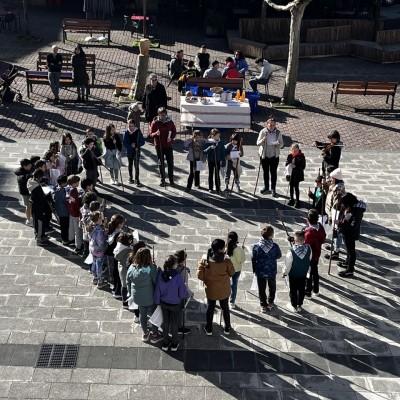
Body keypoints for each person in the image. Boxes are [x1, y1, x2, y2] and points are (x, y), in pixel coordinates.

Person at [197, 239, 235, 335]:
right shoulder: (226, 260)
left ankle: (209, 328)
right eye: (223, 247)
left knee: (210, 308)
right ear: (219, 250)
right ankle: (227, 327)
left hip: (211, 289)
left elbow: (200, 275)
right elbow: (232, 273)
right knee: (225, 308)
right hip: (224, 289)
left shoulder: (205, 259)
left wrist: (207, 277)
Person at [154, 255, 189, 352]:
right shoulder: (177, 277)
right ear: (174, 265)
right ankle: (174, 343)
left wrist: (157, 302)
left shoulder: (161, 275)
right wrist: (186, 291)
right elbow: (182, 294)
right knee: (174, 324)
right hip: (175, 304)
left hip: (164, 303)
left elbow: (157, 290)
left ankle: (165, 342)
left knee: (166, 322)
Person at [126, 247, 162, 343]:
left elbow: (128, 281)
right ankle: (155, 334)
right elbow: (156, 282)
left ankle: (145, 333)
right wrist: (156, 269)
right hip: (150, 297)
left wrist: (130, 292)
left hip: (137, 296)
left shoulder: (131, 267)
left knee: (143, 314)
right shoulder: (151, 269)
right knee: (154, 315)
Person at [252, 226, 282, 312]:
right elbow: (278, 255)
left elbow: (253, 258)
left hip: (260, 271)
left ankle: (263, 305)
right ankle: (271, 302)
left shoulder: (256, 247)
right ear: (270, 236)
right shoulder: (275, 246)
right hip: (271, 270)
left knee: (261, 288)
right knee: (272, 287)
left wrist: (254, 269)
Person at [337, 193, 366, 278]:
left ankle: (350, 270)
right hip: (346, 232)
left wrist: (340, 224)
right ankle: (347, 263)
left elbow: (352, 226)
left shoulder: (356, 212)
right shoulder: (352, 207)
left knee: (351, 252)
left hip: (350, 234)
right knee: (348, 249)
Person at [282, 231, 312, 313]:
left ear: (294, 240)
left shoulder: (291, 251)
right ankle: (299, 304)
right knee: (302, 289)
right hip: (303, 273)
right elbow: (309, 258)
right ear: (304, 239)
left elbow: (288, 264)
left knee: (293, 290)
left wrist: (285, 272)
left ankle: (293, 305)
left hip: (293, 274)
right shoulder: (309, 248)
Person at [257, 115, 284, 197]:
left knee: (273, 173)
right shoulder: (263, 131)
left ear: (275, 125)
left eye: (273, 125)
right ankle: (266, 187)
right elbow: (257, 143)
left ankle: (273, 188)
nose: (272, 126)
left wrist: (278, 145)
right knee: (265, 172)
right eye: (270, 125)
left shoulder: (278, 133)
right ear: (267, 124)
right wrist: (262, 140)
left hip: (274, 156)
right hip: (264, 156)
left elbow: (282, 144)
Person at [149, 107, 177, 187]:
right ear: (158, 115)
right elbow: (151, 134)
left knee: (170, 163)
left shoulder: (170, 122)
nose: (163, 117)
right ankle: (163, 179)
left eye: (164, 115)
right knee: (160, 163)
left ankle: (171, 179)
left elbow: (174, 131)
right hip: (159, 146)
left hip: (168, 145)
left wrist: (171, 138)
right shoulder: (155, 122)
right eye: (161, 115)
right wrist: (155, 134)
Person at [324, 168, 346, 260]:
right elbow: (328, 194)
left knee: (336, 231)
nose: (331, 179)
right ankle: (334, 245)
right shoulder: (333, 185)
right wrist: (324, 185)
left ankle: (336, 251)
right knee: (334, 231)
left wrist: (331, 216)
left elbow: (336, 204)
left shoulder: (339, 188)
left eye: (332, 178)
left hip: (336, 213)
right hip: (331, 211)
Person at [303, 209, 326, 298]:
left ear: (307, 220)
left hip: (309, 256)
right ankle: (316, 290)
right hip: (317, 253)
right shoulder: (320, 227)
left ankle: (308, 291)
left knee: (308, 274)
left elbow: (304, 245)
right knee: (315, 272)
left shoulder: (309, 233)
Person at [27, 169, 51, 246]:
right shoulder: (37, 188)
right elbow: (41, 197)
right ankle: (39, 239)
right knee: (39, 223)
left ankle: (42, 235)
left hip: (34, 205)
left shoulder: (30, 181)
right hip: (39, 207)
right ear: (38, 178)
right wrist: (46, 195)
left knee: (37, 221)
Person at [105, 214, 125, 299]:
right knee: (118, 273)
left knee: (115, 272)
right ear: (119, 224)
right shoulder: (119, 234)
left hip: (113, 254)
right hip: (118, 255)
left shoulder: (111, 230)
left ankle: (115, 288)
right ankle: (117, 291)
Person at [114, 232, 135, 309]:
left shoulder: (120, 246)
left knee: (123, 285)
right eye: (130, 240)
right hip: (126, 269)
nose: (131, 241)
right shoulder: (127, 250)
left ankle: (124, 302)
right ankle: (125, 302)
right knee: (125, 287)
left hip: (121, 268)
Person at [88, 211, 108, 289]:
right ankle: (100, 281)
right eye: (101, 218)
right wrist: (105, 235)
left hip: (92, 249)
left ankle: (95, 278)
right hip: (99, 250)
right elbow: (100, 242)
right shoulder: (99, 230)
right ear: (98, 219)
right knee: (99, 265)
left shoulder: (91, 226)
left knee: (94, 264)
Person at [226, 232, 246, 309]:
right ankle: (232, 302)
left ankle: (224, 298)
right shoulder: (238, 250)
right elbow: (242, 260)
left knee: (226, 283)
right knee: (234, 284)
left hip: (227, 269)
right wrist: (243, 250)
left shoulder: (226, 248)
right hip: (236, 269)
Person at [123, 119, 145, 186]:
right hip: (129, 151)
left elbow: (142, 142)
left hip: (136, 151)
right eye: (129, 126)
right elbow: (124, 143)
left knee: (136, 166)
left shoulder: (138, 132)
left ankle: (137, 179)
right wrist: (130, 146)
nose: (131, 128)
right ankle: (130, 177)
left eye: (132, 126)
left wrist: (136, 145)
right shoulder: (126, 132)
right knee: (130, 165)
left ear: (135, 125)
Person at [203, 129, 226, 194]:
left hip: (218, 161)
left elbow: (223, 153)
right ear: (212, 136)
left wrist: (223, 161)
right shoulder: (208, 142)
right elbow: (204, 152)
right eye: (216, 135)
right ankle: (210, 188)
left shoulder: (220, 143)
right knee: (210, 174)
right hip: (211, 161)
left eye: (218, 135)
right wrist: (210, 148)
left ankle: (218, 188)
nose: (218, 136)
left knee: (217, 175)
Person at [66, 175, 84, 255]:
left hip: (70, 211)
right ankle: (78, 246)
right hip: (76, 213)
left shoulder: (67, 189)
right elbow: (76, 203)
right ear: (75, 183)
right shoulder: (74, 190)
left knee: (71, 227)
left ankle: (71, 239)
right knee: (78, 231)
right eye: (78, 182)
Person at [285, 143, 306, 208]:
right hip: (291, 173)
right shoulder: (290, 155)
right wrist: (289, 163)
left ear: (298, 150)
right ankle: (291, 199)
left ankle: (297, 201)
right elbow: (286, 163)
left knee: (296, 187)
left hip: (297, 174)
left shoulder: (301, 156)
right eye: (293, 150)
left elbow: (303, 166)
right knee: (291, 186)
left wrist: (295, 166)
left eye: (296, 150)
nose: (295, 152)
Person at [15, 158, 33, 226]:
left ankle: (30, 218)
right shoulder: (22, 175)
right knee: (28, 206)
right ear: (24, 166)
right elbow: (24, 183)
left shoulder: (25, 171)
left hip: (27, 192)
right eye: (29, 165)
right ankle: (28, 220)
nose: (30, 166)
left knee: (30, 206)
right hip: (25, 193)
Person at [53, 175, 70, 245]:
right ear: (63, 183)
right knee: (65, 226)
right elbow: (67, 200)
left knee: (62, 226)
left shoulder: (55, 189)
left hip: (59, 211)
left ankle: (64, 238)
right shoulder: (64, 192)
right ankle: (65, 240)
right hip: (65, 212)